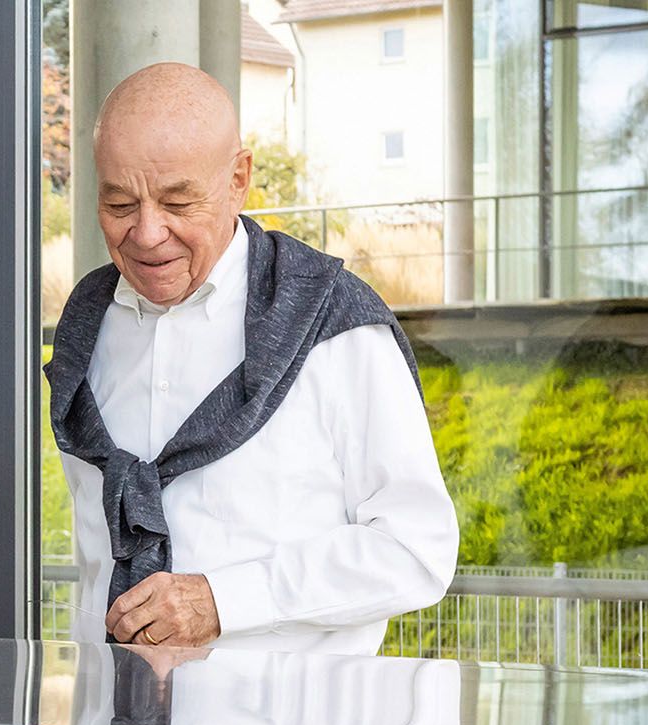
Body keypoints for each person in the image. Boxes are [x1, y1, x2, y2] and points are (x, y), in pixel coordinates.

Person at [47, 63, 458, 655]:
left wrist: (223, 602)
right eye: (118, 204)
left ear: (239, 178)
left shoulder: (336, 324)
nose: (146, 233)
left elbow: (416, 549)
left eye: (178, 202)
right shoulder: (86, 322)